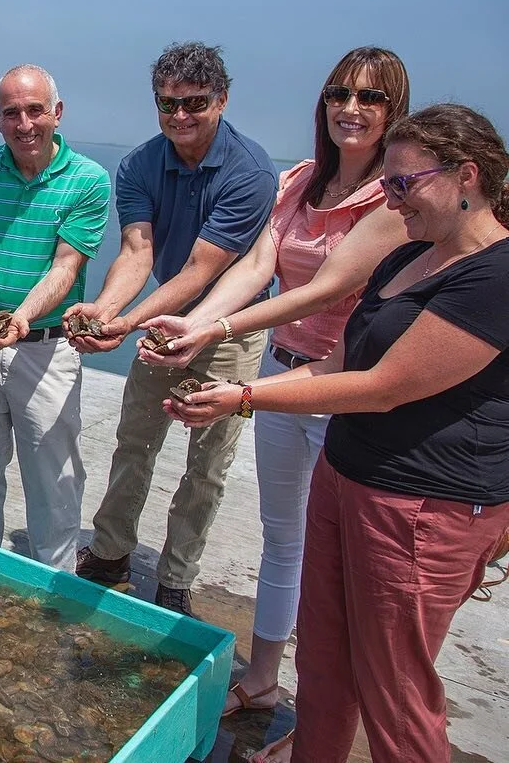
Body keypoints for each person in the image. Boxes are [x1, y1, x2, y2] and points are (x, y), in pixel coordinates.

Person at [167, 103, 509, 763]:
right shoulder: (409, 255)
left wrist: (241, 398)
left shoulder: (494, 275)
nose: (389, 198)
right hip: (344, 478)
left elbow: (383, 386)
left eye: (404, 184)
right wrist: (245, 393)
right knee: (323, 669)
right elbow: (338, 362)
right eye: (386, 183)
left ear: (466, 176)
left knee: (395, 697)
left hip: (421, 510)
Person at [137, 47, 411, 716]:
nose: (350, 107)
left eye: (369, 98)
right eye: (339, 92)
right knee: (282, 537)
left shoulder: (393, 198)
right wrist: (193, 321)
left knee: (342, 561)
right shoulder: (297, 182)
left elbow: (323, 290)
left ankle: (332, 706)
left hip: (346, 393)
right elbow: (255, 263)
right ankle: (262, 677)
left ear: (391, 111)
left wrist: (212, 333)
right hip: (285, 374)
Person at [68, 41, 278, 615]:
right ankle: (109, 553)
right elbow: (138, 250)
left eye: (194, 103)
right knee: (134, 440)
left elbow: (202, 269)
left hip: (231, 327)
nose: (179, 116)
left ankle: (176, 579)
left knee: (208, 463)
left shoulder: (253, 172)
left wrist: (128, 323)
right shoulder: (139, 164)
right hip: (163, 319)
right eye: (167, 104)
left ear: (222, 100)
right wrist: (107, 314)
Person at [0, 64, 111, 571]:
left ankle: (53, 581)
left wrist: (18, 319)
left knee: (54, 478)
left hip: (48, 344)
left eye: (35, 110)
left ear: (56, 114)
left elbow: (66, 267)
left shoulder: (89, 180)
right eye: (12, 113)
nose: (25, 124)